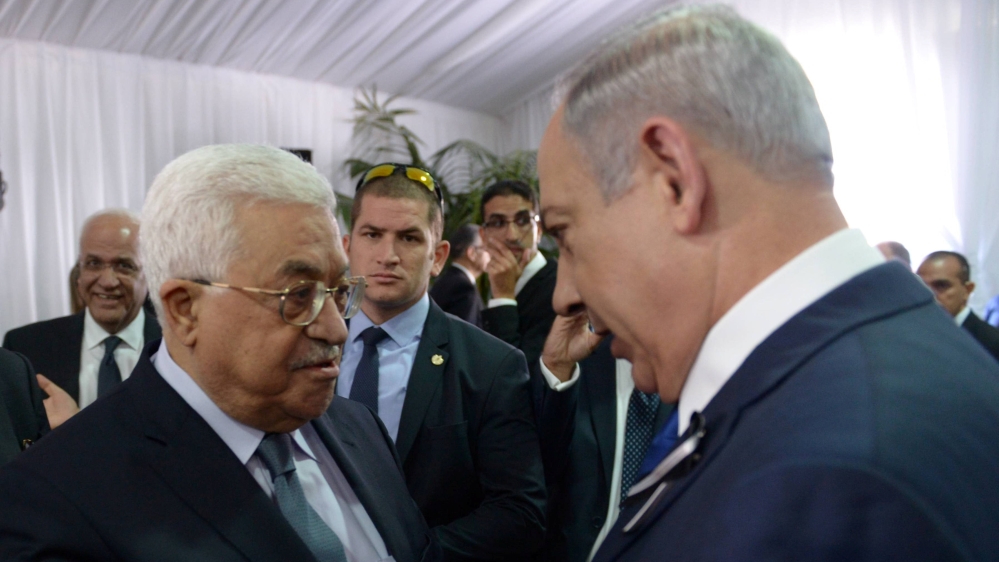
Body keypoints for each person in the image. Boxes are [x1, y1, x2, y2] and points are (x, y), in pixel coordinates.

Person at [538, 5, 999, 561]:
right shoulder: (872, 369)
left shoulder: (835, 483)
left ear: (675, 181)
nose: (565, 293)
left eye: (564, 234)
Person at [0, 145, 438, 561]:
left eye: (340, 291)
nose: (336, 328)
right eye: (298, 295)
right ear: (185, 309)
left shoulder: (360, 428)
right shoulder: (59, 497)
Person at [335, 163, 546, 561]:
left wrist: (412, 555)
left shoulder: (492, 366)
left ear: (438, 256)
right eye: (372, 234)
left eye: (409, 238)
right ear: (348, 247)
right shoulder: (307, 346)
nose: (388, 255)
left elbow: (520, 512)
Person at [3, 209, 162, 420]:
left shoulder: (179, 348)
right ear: (79, 272)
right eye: (94, 263)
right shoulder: (26, 347)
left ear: (150, 275)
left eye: (124, 266)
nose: (107, 281)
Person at [480, 180, 557, 370]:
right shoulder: (499, 279)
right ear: (483, 236)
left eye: (522, 221)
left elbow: (515, 376)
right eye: (498, 223)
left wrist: (503, 298)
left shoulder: (558, 286)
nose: (512, 235)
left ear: (538, 230)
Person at [917, 250, 999, 362]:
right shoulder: (915, 336)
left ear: (967, 290)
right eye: (921, 285)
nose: (930, 293)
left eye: (941, 286)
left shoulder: (991, 343)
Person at [429, 224, 489, 327]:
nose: (490, 255)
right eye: (486, 249)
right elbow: (464, 336)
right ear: (472, 254)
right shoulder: (464, 288)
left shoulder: (447, 280)